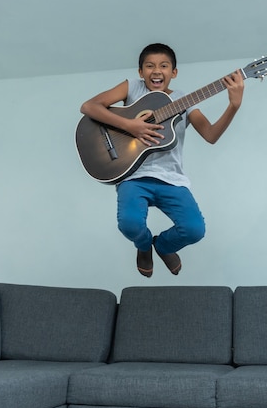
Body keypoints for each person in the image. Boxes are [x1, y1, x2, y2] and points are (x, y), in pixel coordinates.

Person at [80, 43, 244, 277]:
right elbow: (89, 106)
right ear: (140, 72)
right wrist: (130, 125)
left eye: (164, 66)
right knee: (130, 224)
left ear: (173, 73)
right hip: (134, 176)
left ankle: (163, 246)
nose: (156, 71)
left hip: (172, 179)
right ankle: (144, 245)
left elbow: (210, 135)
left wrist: (233, 105)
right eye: (149, 66)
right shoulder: (133, 88)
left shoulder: (185, 100)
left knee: (194, 229)